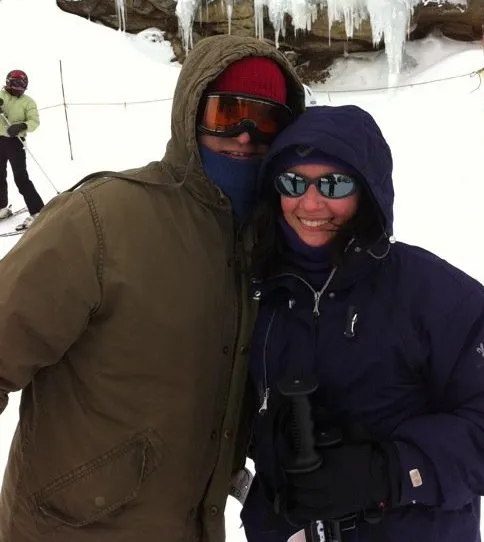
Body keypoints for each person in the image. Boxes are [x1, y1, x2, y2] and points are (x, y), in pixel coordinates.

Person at [0, 35, 305, 542]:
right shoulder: (103, 220)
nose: (245, 135)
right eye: (228, 114)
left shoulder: (273, 244)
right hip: (65, 529)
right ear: (191, 115)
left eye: (267, 120)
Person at [241, 105, 484, 542]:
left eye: (334, 184)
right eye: (293, 182)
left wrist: (390, 472)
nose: (311, 203)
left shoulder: (436, 295)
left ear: (368, 190)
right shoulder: (256, 293)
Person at [0, 69, 45, 229]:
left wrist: (22, 126)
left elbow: (34, 122)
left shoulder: (28, 102)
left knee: (20, 177)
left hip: (16, 142)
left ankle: (37, 211)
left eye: (23, 84)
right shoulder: (1, 96)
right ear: (8, 82)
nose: (20, 87)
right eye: (17, 83)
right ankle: (1, 208)